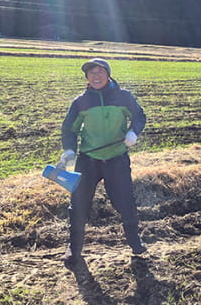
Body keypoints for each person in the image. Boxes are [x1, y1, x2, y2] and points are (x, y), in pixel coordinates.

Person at [57, 58, 147, 267]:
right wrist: (70, 150)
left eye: (100, 71)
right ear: (87, 77)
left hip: (117, 158)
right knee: (79, 204)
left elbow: (139, 116)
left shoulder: (123, 97)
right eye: (91, 73)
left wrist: (134, 132)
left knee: (125, 201)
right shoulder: (80, 102)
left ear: (108, 74)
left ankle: (135, 242)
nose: (96, 76)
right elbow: (69, 128)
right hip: (88, 160)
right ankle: (74, 249)